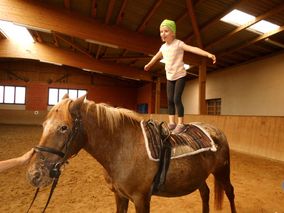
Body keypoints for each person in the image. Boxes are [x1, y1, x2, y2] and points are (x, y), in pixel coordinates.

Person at [144, 19, 216, 134]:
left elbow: (193, 49)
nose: (163, 33)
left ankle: (180, 123)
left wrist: (208, 54)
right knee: (170, 100)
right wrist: (149, 64)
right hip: (169, 77)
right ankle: (172, 123)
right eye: (161, 31)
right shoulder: (163, 48)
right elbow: (156, 57)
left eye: (166, 31)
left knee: (177, 98)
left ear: (173, 33)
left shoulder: (178, 44)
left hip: (180, 76)